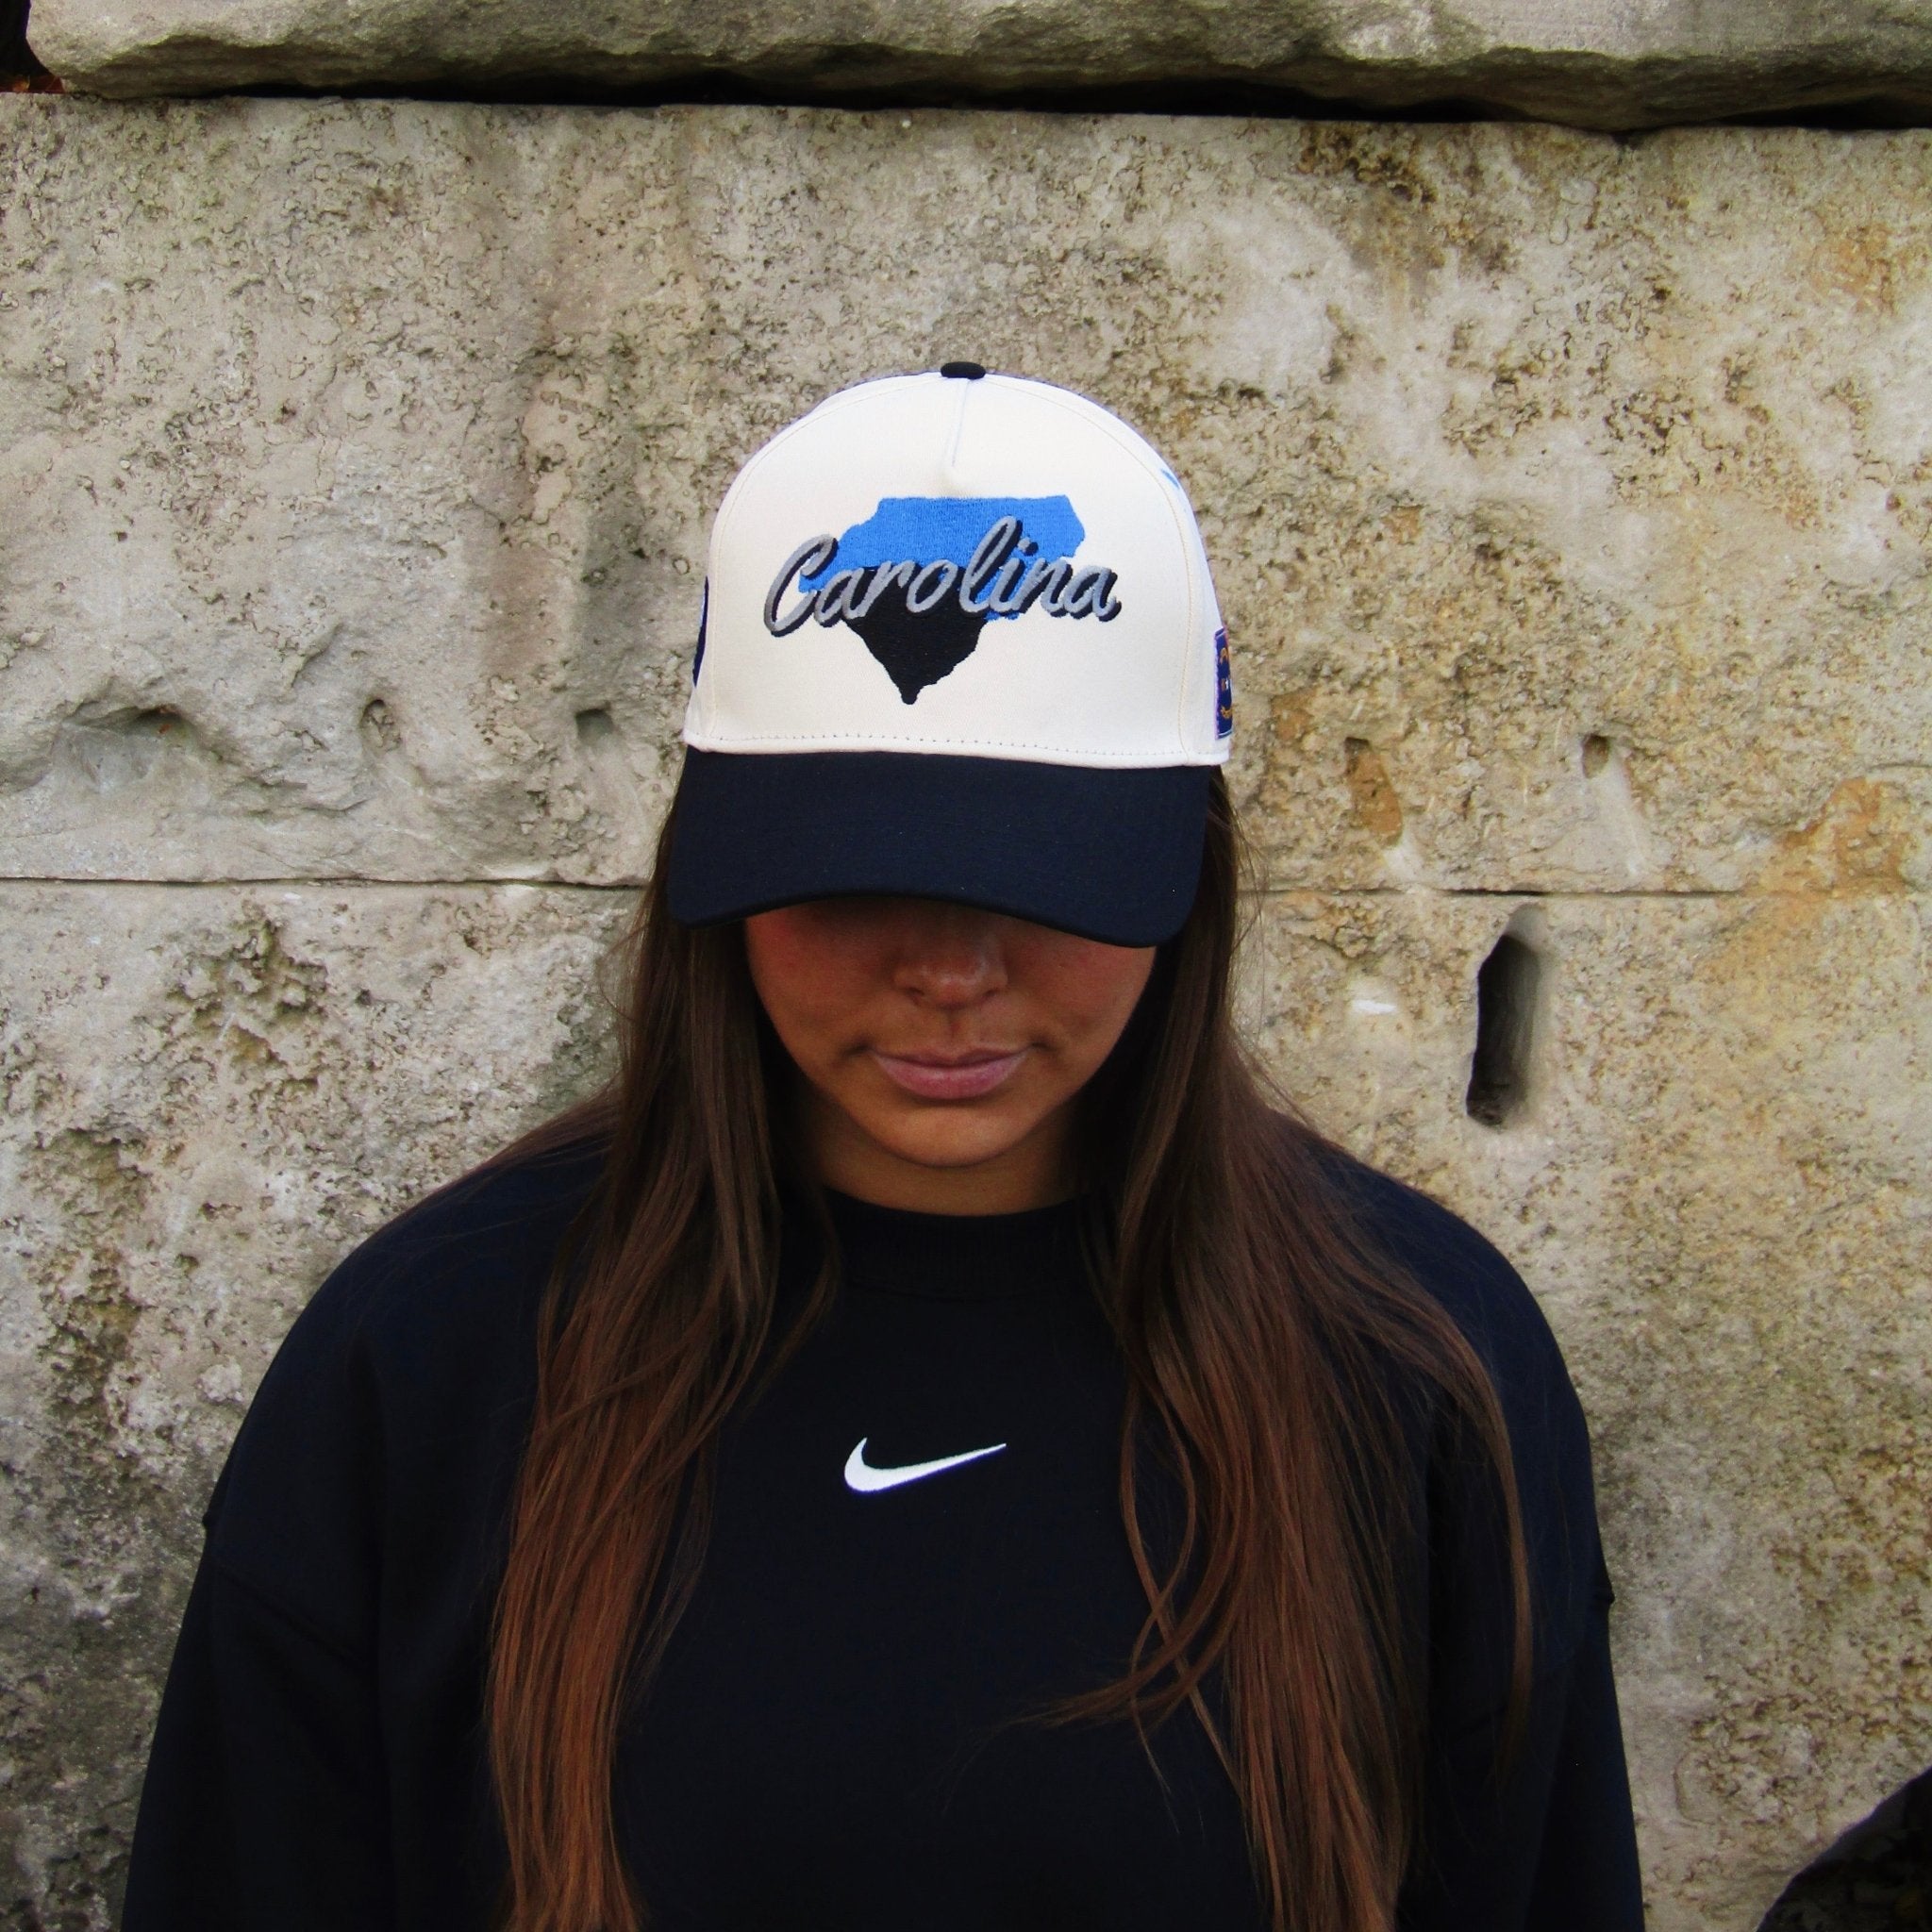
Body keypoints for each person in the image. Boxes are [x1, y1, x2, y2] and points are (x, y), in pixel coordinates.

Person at [122, 366, 1644, 1932]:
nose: (951, 970)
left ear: (1188, 866)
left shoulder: (1420, 1363)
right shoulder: (428, 1359)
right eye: (856, 876)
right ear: (718, 863)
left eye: (1045, 877)